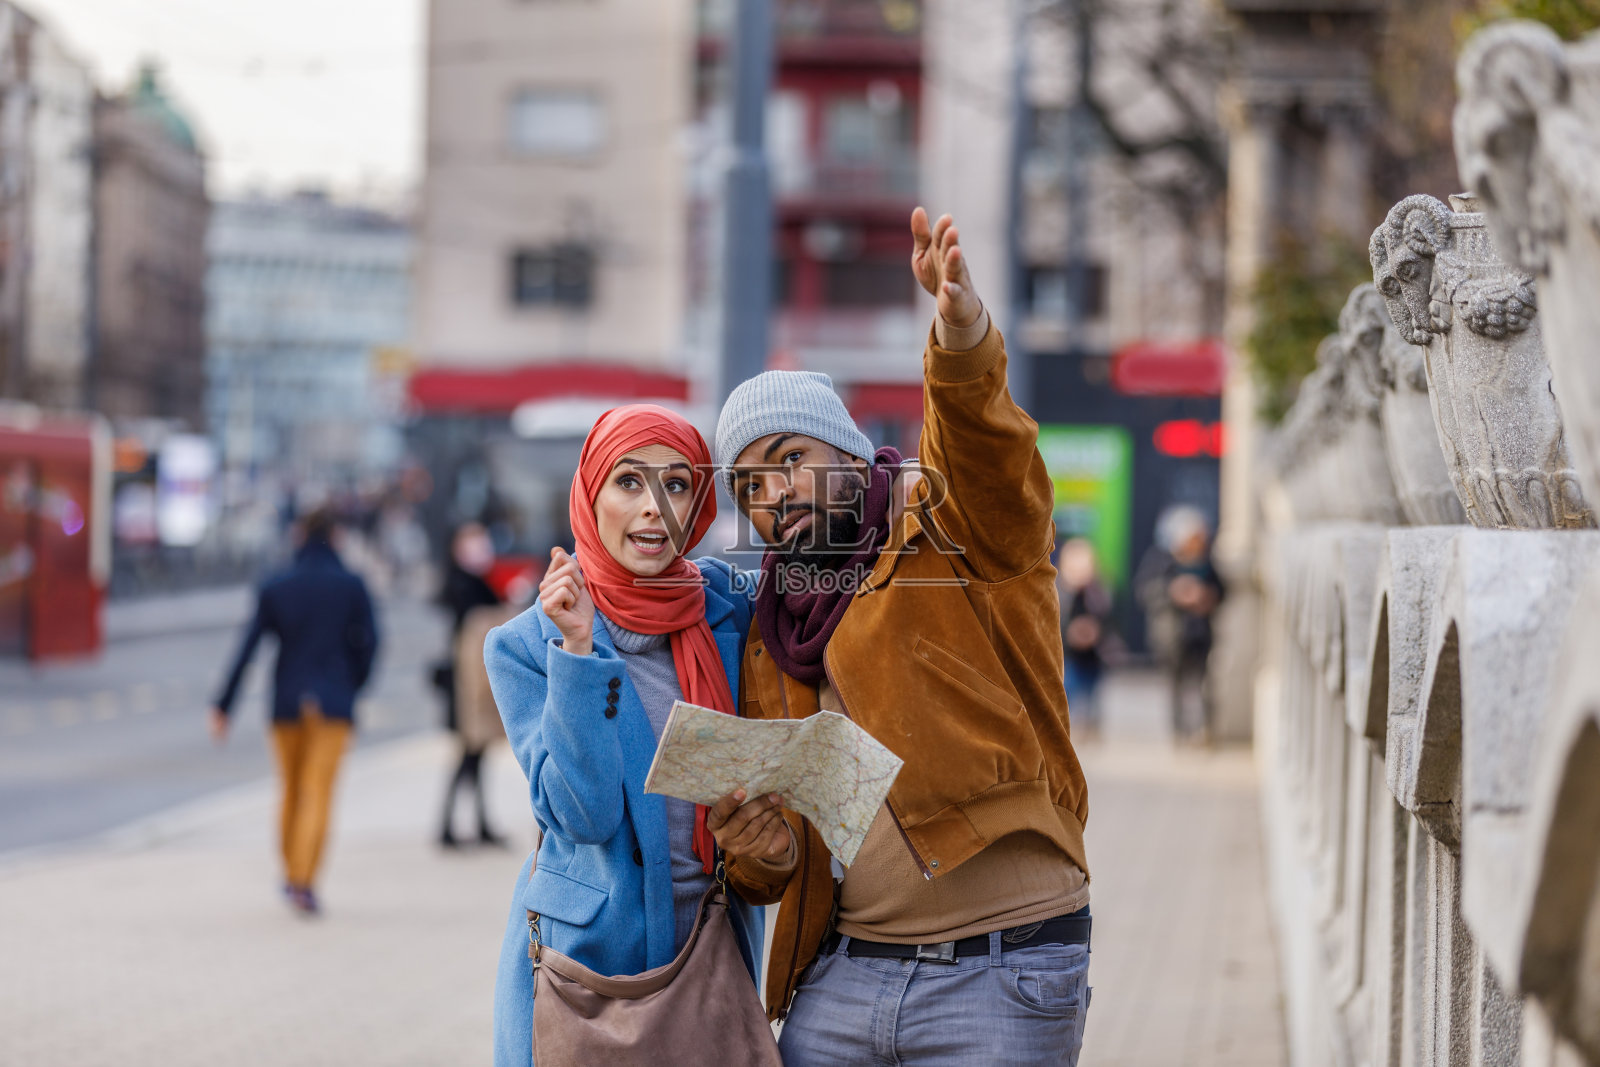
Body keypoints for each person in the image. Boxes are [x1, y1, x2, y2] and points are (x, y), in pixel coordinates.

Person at [708, 207, 1093, 1064]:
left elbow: (987, 453)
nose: (774, 493)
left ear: (848, 453)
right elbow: (786, 861)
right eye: (749, 484)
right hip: (844, 977)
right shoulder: (773, 630)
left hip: (1003, 965)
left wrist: (961, 337)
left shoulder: (954, 530)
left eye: (790, 458)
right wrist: (755, 853)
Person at [483, 405, 765, 1067]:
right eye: (629, 482)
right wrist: (578, 652)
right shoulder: (527, 644)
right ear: (591, 494)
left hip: (709, 948)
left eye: (675, 485)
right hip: (584, 970)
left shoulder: (729, 610)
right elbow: (584, 815)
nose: (654, 508)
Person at [210, 508, 380, 916]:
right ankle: (305, 881)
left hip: (286, 701)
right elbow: (371, 643)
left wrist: (223, 705)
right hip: (334, 705)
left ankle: (290, 874)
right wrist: (352, 685)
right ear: (336, 536)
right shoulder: (351, 585)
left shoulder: (276, 585)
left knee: (289, 789)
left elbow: (248, 648)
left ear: (300, 535)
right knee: (317, 792)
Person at [435, 521, 506, 848]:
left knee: (476, 755)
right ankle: (448, 825)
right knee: (467, 753)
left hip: (473, 683)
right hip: (465, 685)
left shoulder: (478, 582)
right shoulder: (459, 585)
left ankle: (475, 822)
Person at [1135, 505, 1225, 743]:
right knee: (1175, 684)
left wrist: (1207, 597)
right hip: (1172, 634)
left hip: (1201, 633)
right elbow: (1145, 591)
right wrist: (1175, 592)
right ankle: (1180, 731)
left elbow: (1223, 590)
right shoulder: (1160, 561)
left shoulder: (1208, 562)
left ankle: (1204, 729)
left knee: (1204, 683)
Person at [1058, 537, 1115, 737]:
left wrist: (1094, 631)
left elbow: (1109, 618)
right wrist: (1071, 633)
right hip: (1068, 653)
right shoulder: (1059, 591)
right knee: (1068, 690)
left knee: (1091, 690)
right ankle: (1067, 725)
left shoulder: (1099, 592)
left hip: (1094, 653)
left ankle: (1090, 725)